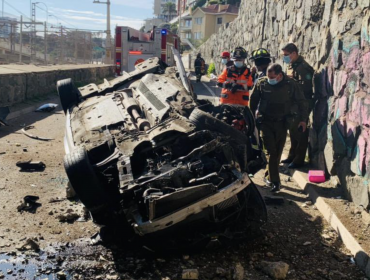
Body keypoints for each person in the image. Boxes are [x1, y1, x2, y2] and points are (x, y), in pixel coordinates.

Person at [249, 63, 308, 192]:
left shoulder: (291, 85)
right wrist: (252, 119)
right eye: (268, 77)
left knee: (278, 151)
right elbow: (252, 102)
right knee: (271, 151)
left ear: (280, 75)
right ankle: (276, 182)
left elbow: (302, 102)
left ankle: (268, 175)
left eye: (272, 77)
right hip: (265, 122)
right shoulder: (262, 83)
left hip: (282, 123)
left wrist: (303, 120)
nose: (270, 79)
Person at [281, 43, 315, 169]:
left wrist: (290, 83)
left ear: (294, 53)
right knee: (293, 130)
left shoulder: (303, 67)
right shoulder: (293, 65)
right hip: (293, 104)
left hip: (302, 103)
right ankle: (292, 156)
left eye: (286, 55)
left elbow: (305, 89)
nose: (284, 57)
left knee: (301, 131)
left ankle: (299, 159)